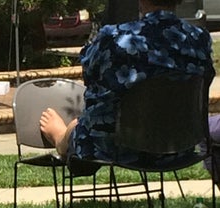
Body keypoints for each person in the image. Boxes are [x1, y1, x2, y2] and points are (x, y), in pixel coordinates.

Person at [39, 0, 216, 166]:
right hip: (180, 146)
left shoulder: (115, 37)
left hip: (117, 147)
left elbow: (90, 76)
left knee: (76, 126)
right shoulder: (200, 39)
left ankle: (61, 138)